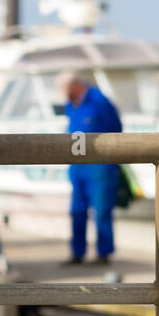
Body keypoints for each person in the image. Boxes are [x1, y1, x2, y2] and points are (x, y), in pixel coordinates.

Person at [57, 70, 123, 264]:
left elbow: (116, 128)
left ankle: (104, 253)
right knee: (77, 209)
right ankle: (77, 253)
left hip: (100, 165)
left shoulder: (99, 100)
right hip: (77, 165)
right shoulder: (71, 103)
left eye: (68, 92)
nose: (67, 97)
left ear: (76, 86)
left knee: (101, 209)